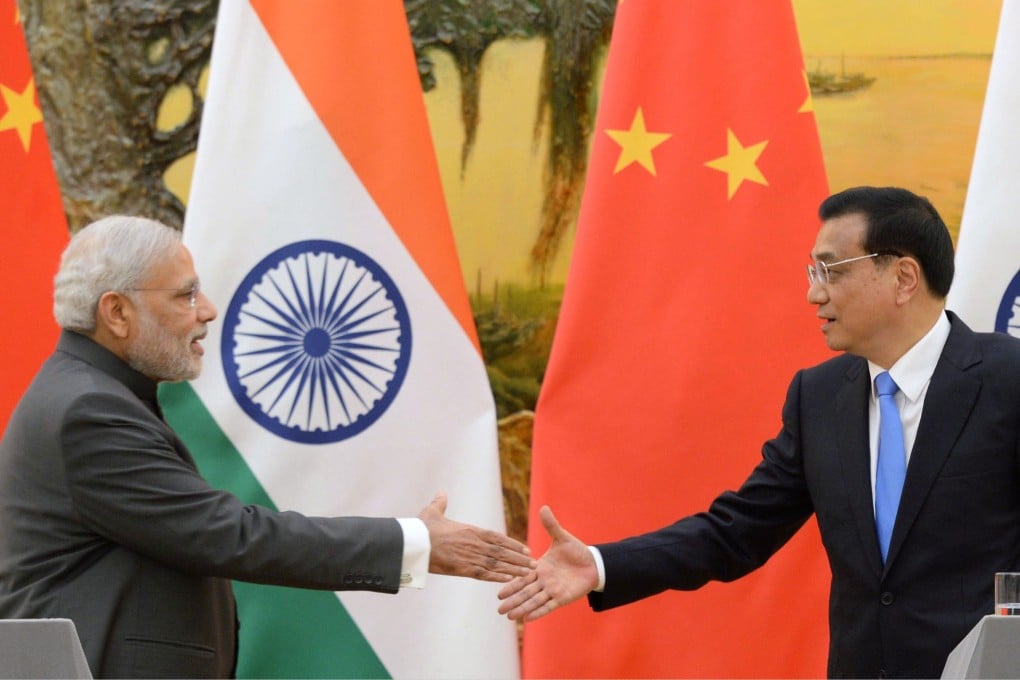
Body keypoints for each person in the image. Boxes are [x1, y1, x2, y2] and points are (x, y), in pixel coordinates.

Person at [497, 186, 1020, 679]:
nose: (815, 293)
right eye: (812, 271)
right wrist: (600, 563)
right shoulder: (819, 397)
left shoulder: (1006, 380)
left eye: (831, 270)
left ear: (904, 277)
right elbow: (736, 532)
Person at [0, 215, 534, 679]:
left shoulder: (90, 394)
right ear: (117, 313)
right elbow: (230, 535)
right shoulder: (87, 412)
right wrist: (412, 544)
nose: (207, 310)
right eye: (185, 294)